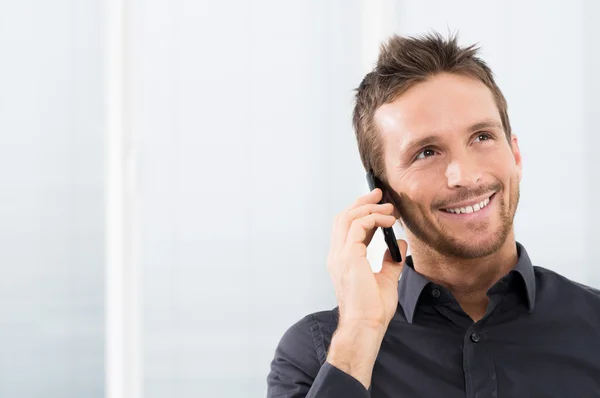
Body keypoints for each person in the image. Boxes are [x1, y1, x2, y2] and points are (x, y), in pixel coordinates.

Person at [266, 32, 600, 397]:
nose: (466, 175)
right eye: (426, 152)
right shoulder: (315, 354)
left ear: (515, 155)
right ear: (383, 193)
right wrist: (359, 332)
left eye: (482, 137)